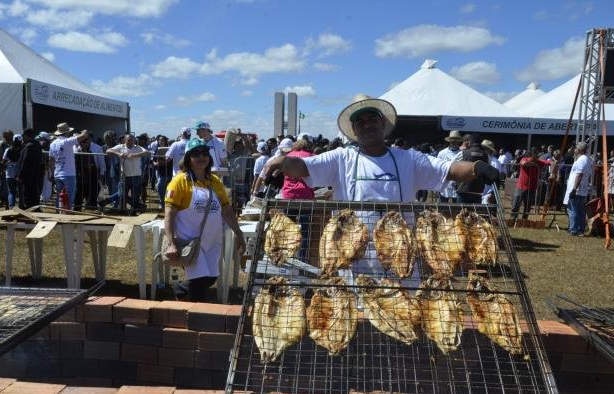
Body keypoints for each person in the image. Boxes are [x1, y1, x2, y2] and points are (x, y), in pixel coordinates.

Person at [264, 95, 499, 203]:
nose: (367, 125)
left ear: (383, 124)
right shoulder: (341, 158)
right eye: (360, 122)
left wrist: (478, 167)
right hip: (351, 260)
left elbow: (450, 170)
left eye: (372, 119)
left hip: (399, 263)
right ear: (354, 130)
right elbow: (303, 166)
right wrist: (282, 162)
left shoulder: (409, 159)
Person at [163, 139, 246, 301]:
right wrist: (171, 242)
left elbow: (227, 210)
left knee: (211, 277)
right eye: (196, 154)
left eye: (204, 153)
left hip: (212, 242)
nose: (201, 157)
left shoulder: (214, 181)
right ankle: (196, 318)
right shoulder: (179, 182)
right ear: (188, 158)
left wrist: (238, 232)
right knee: (199, 282)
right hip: (191, 242)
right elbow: (169, 214)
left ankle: (180, 289)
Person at [104, 133, 151, 213]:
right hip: (124, 175)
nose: (131, 142)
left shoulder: (138, 148)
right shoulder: (120, 147)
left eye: (133, 140)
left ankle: (133, 210)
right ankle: (128, 208)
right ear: (125, 140)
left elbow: (148, 153)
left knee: (135, 195)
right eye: (129, 140)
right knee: (122, 194)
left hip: (136, 175)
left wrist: (134, 155)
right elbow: (108, 150)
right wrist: (118, 154)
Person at [48, 123, 89, 208]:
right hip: (69, 174)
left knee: (59, 197)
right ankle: (67, 214)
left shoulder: (53, 143)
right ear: (67, 132)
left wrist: (52, 173)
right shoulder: (67, 141)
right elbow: (84, 135)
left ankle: (58, 213)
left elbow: (51, 160)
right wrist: (84, 131)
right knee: (69, 197)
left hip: (57, 173)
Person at [510, 148, 551, 220]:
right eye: (534, 156)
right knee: (516, 203)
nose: (536, 158)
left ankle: (524, 219)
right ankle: (513, 218)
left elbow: (549, 162)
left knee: (528, 205)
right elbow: (523, 163)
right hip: (521, 186)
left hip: (532, 187)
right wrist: (533, 164)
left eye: (537, 156)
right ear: (531, 155)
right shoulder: (525, 159)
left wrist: (553, 162)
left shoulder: (539, 162)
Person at [563, 142, 593, 236]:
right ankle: (580, 229)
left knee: (572, 209)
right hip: (582, 189)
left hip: (577, 189)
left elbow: (579, 175)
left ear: (579, 150)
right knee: (580, 210)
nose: (574, 150)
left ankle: (574, 229)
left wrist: (574, 189)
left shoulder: (581, 160)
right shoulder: (586, 159)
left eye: (575, 148)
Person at [454, 134, 489, 204]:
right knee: (474, 214)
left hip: (463, 189)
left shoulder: (463, 153)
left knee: (461, 213)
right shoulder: (486, 155)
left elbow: (452, 165)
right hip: (478, 190)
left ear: (470, 142)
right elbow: (488, 170)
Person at [16, 129, 44, 209]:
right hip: (35, 175)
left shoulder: (29, 146)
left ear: (26, 136)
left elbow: (25, 162)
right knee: (34, 194)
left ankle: (30, 209)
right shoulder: (37, 145)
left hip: (28, 176)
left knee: (28, 195)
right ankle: (34, 208)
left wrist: (20, 175)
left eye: (23, 136)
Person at [437, 130, 463, 203]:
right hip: (444, 184)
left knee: (456, 209)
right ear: (449, 141)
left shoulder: (462, 153)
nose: (454, 141)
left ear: (459, 141)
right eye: (452, 140)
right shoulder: (442, 153)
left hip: (457, 184)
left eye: (456, 140)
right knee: (442, 208)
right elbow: (438, 168)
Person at [2, 134, 23, 208]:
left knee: (11, 192)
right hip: (19, 173)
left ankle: (11, 207)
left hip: (9, 173)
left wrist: (7, 164)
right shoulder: (23, 150)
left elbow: (3, 162)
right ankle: (21, 207)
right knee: (21, 191)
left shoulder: (8, 149)